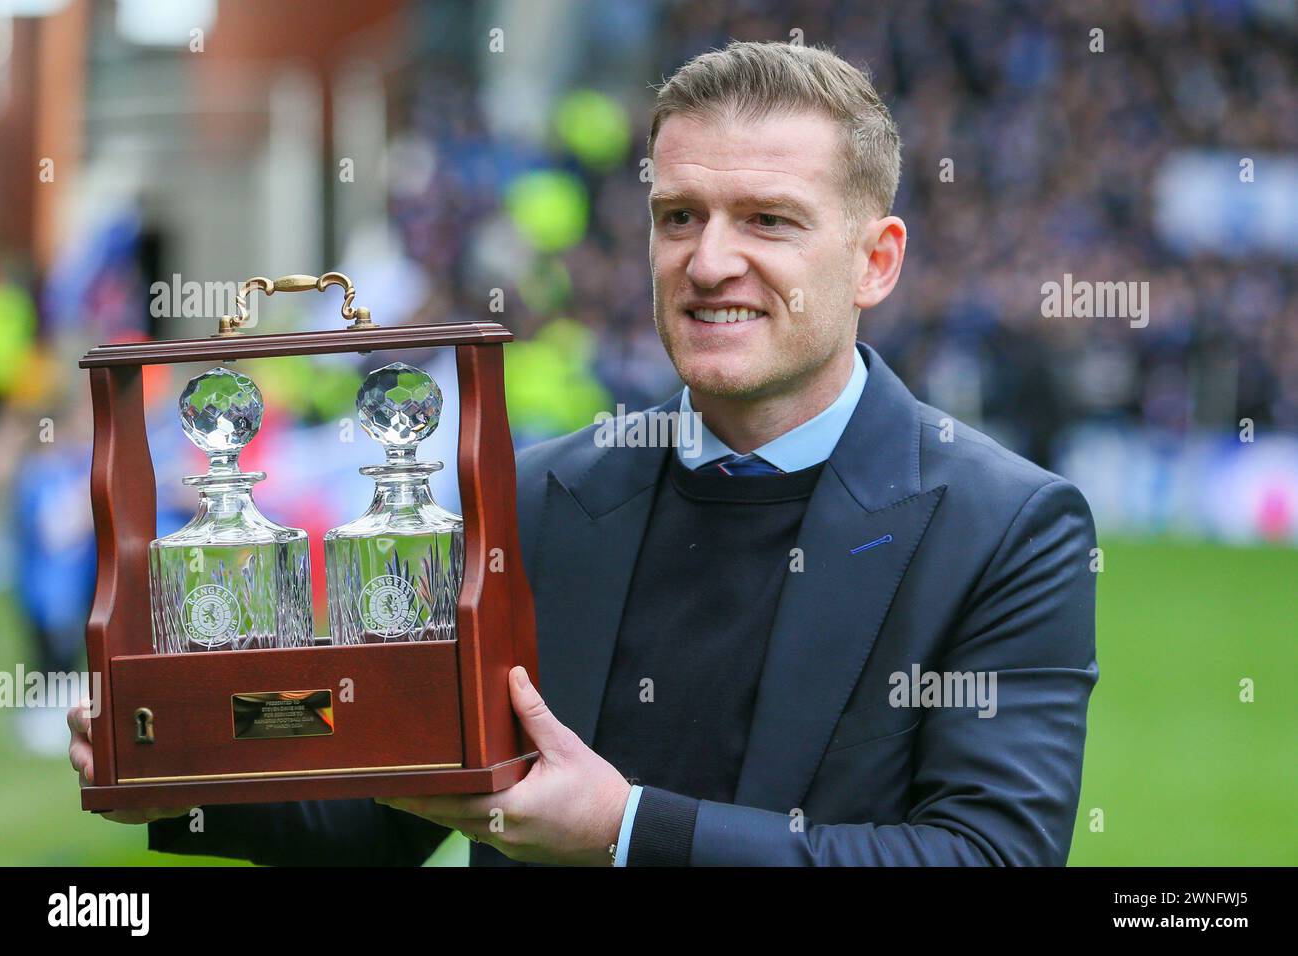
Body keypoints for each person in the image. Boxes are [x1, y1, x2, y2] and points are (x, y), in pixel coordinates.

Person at [69, 40, 1097, 866]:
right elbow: (392, 810)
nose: (708, 260)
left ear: (876, 260)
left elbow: (986, 851)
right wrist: (187, 774)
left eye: (768, 220)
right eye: (678, 216)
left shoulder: (1005, 527)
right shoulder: (542, 496)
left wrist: (626, 830)